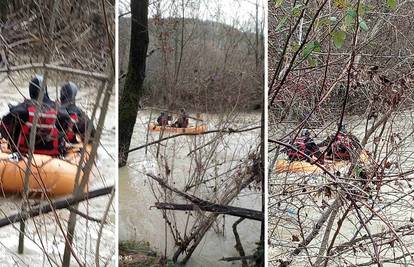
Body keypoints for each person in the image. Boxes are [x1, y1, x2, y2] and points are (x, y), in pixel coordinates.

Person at [0, 75, 69, 156]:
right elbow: (66, 131)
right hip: (52, 155)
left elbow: (4, 128)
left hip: (22, 154)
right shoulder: (60, 111)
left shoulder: (21, 109)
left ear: (31, 90)